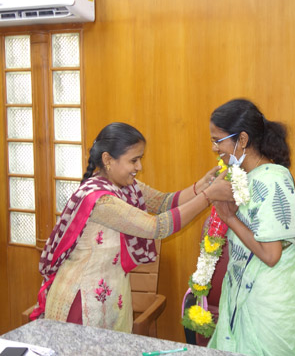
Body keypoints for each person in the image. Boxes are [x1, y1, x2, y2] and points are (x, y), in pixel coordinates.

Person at [31, 122, 234, 331]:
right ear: (108, 160)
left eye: (140, 159)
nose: (139, 167)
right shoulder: (100, 200)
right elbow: (157, 227)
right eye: (134, 160)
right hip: (83, 300)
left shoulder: (126, 188)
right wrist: (208, 196)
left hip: (110, 293)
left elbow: (164, 202)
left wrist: (202, 185)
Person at [206, 99, 295, 355]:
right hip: (244, 297)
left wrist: (230, 218)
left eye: (218, 140)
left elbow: (271, 255)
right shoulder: (242, 177)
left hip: (271, 306)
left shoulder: (273, 179)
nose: (215, 148)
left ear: (242, 139)